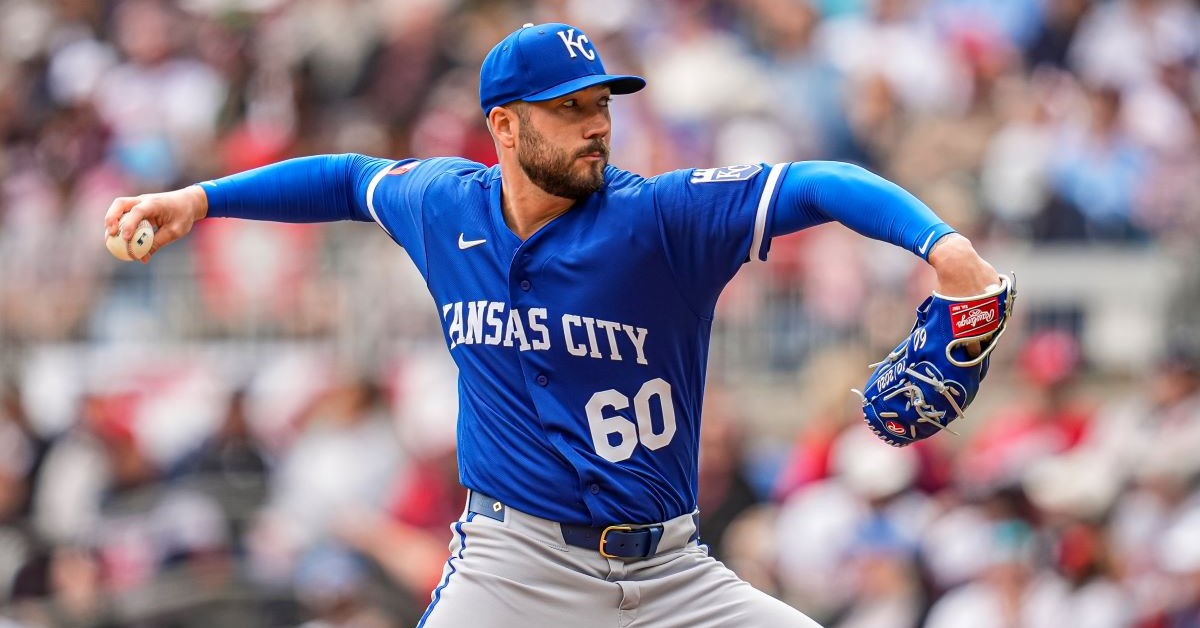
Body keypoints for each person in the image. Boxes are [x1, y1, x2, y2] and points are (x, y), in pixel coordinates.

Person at [104, 22, 999, 628]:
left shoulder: (660, 220)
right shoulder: (442, 205)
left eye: (602, 104)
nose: (596, 126)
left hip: (673, 572)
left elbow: (818, 183)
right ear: (503, 124)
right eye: (570, 108)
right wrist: (200, 198)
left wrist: (943, 247)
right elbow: (343, 178)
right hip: (513, 567)